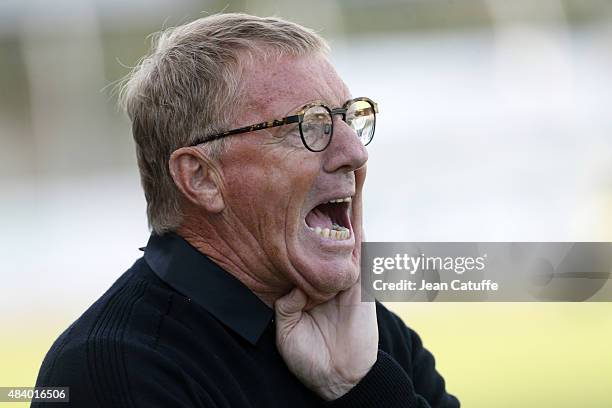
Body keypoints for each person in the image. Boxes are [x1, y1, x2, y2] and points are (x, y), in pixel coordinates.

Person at [33, 13, 459, 407]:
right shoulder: (115, 370)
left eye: (349, 118)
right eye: (308, 125)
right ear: (200, 177)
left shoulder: (365, 331)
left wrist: (361, 386)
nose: (353, 152)